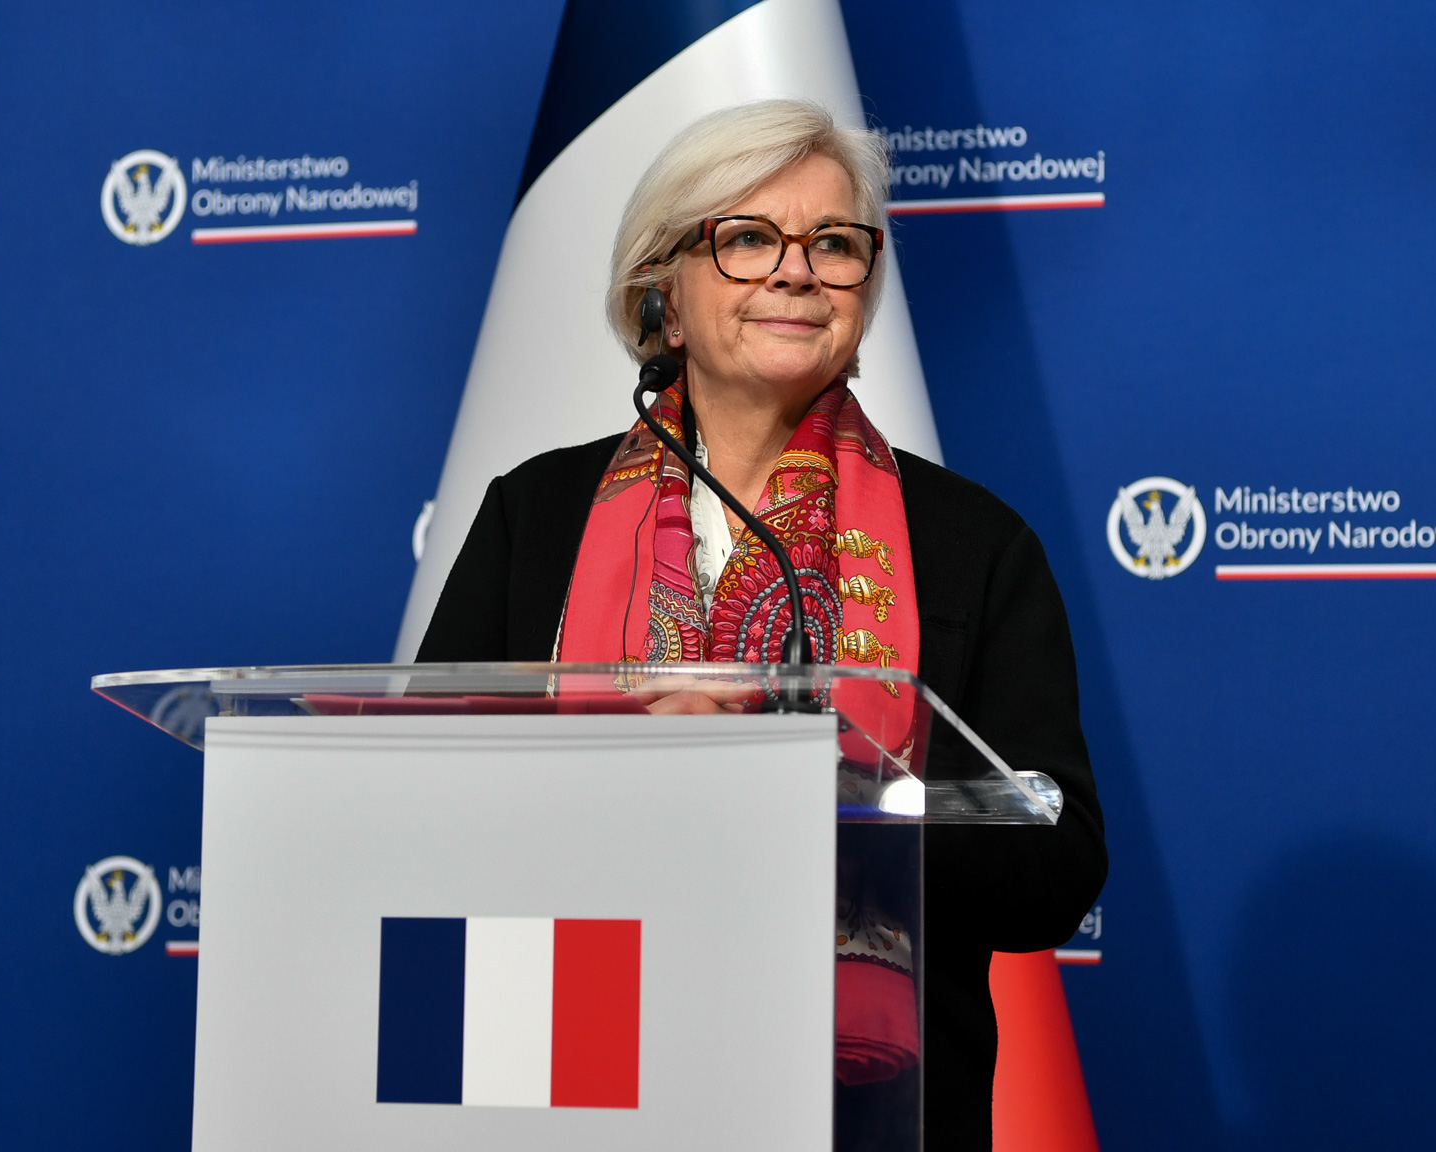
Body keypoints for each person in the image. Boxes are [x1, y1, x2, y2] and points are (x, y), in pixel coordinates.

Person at [417, 98, 1105, 1147]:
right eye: (746, 239)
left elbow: (1055, 867)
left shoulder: (973, 542)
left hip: (868, 1111)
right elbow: (427, 799)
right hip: (576, 1080)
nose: (796, 272)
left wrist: (821, 786)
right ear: (664, 298)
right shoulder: (535, 515)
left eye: (834, 244)